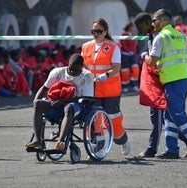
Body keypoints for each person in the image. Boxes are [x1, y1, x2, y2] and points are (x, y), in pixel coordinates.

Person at [144, 8, 187, 159]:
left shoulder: (160, 37)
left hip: (172, 81)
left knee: (178, 115)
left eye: (154, 21)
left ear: (163, 20)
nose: (153, 24)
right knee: (169, 116)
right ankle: (172, 149)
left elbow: (152, 61)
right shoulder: (181, 36)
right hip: (184, 79)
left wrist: (145, 56)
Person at [134, 12, 187, 158]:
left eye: (140, 26)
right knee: (165, 117)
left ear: (149, 22)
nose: (139, 29)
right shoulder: (152, 36)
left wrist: (144, 56)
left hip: (162, 81)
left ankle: (152, 148)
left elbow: (154, 60)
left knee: (159, 117)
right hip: (162, 80)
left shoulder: (157, 36)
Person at [81, 18, 130, 156]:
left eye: (99, 31)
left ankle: (123, 140)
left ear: (105, 31)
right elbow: (83, 66)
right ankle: (98, 149)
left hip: (110, 90)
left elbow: (116, 68)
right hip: (93, 90)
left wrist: (105, 75)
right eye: (93, 31)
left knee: (113, 120)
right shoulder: (85, 47)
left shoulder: (113, 47)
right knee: (95, 120)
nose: (96, 34)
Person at [25, 54, 94, 151]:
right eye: (71, 68)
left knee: (69, 107)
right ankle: (38, 141)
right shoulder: (58, 72)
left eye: (75, 70)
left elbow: (86, 98)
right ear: (68, 63)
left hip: (77, 104)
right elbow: (45, 88)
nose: (72, 72)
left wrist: (63, 101)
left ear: (82, 67)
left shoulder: (87, 76)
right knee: (38, 104)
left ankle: (60, 142)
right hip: (57, 102)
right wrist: (35, 101)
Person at [120, 22, 140, 93]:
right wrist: (128, 51)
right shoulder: (123, 34)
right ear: (129, 27)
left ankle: (134, 85)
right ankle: (125, 87)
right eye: (133, 27)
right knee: (125, 71)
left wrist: (134, 52)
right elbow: (123, 44)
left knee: (135, 70)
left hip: (133, 55)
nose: (134, 28)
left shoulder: (132, 34)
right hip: (125, 55)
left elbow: (134, 45)